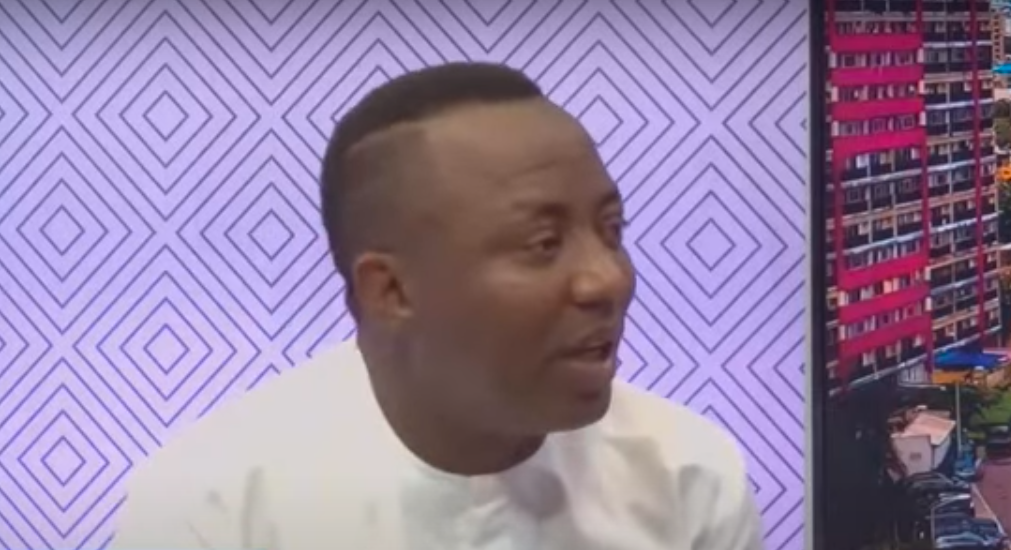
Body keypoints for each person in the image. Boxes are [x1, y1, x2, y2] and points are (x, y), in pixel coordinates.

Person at [110, 62, 765, 550]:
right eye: (543, 244)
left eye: (611, 231)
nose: (607, 280)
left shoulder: (686, 476)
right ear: (390, 291)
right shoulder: (211, 509)